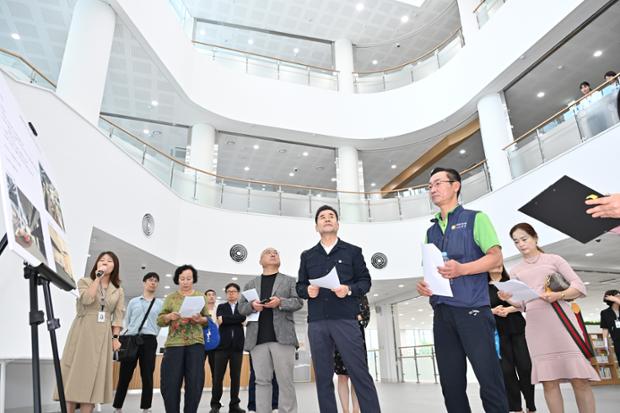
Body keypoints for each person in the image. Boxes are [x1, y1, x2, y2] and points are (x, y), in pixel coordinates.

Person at [415, 167, 508, 413]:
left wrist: (462, 269)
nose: (432, 189)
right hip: (442, 313)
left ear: (455, 186)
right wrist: (424, 285)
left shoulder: (476, 219)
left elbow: (495, 258)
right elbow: (431, 270)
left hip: (472, 310)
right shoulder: (430, 231)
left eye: (437, 183)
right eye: (429, 186)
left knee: (489, 378)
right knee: (451, 385)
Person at [499, 223, 598, 413]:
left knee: (580, 379)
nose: (520, 244)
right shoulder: (516, 270)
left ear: (535, 237)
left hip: (561, 320)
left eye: (524, 239)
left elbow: (578, 287)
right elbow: (522, 304)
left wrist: (558, 295)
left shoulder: (554, 259)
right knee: (548, 382)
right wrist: (508, 298)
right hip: (536, 326)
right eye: (516, 241)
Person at [296, 205, 381, 413]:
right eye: (322, 217)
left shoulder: (353, 251)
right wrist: (307, 290)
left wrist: (348, 289)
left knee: (359, 373)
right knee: (323, 377)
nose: (327, 219)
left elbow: (365, 282)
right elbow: (300, 286)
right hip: (317, 322)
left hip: (346, 320)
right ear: (316, 226)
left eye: (331, 216)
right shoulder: (307, 256)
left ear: (337, 224)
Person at [54, 251, 125, 413]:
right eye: (102, 260)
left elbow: (118, 316)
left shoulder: (118, 290)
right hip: (82, 331)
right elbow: (86, 299)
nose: (105, 262)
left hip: (103, 335)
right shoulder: (85, 281)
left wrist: (115, 338)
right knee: (74, 376)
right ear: (96, 264)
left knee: (93, 379)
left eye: (109, 261)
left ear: (115, 266)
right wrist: (98, 278)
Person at [238, 247, 303, 413]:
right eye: (268, 252)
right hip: (257, 339)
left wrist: (280, 302)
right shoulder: (250, 284)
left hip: (283, 338)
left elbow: (298, 302)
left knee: (285, 381)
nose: (273, 254)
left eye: (276, 252)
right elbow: (241, 308)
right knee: (261, 381)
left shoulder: (289, 281)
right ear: (260, 261)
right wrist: (252, 306)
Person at [157, 264, 210, 413]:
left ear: (193, 279)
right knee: (170, 383)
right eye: (182, 279)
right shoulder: (171, 298)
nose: (185, 282)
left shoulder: (201, 296)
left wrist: (200, 319)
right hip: (174, 344)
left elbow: (207, 321)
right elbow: (160, 321)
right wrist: (169, 316)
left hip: (196, 344)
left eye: (189, 278)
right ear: (177, 280)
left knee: (195, 383)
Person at [113, 272, 163, 413]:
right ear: (144, 282)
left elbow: (160, 323)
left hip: (149, 341)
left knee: (147, 376)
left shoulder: (160, 304)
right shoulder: (134, 302)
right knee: (125, 375)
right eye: (150, 280)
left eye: (155, 281)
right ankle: (117, 407)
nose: (153, 282)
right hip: (132, 339)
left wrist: (153, 332)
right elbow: (128, 321)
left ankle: (146, 408)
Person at [488, 266, 536, 413]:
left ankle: (530, 405)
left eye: (499, 263)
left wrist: (508, 309)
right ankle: (516, 408)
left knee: (525, 367)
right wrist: (493, 311)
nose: (497, 265)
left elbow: (525, 303)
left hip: (518, 330)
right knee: (507, 372)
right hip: (497, 334)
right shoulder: (481, 287)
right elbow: (480, 308)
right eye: (493, 263)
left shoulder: (512, 283)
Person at [211, 283, 247, 413]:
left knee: (235, 377)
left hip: (237, 347)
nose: (231, 293)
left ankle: (234, 405)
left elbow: (243, 318)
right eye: (229, 291)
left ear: (238, 293)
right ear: (226, 294)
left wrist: (227, 319)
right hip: (221, 347)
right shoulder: (221, 306)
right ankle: (215, 405)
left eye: (234, 291)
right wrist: (237, 319)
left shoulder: (242, 307)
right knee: (218, 377)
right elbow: (220, 320)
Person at [334, 295, 370, 413]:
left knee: (357, 377)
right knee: (342, 376)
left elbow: (365, 317)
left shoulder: (360, 295)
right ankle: (345, 410)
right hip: (339, 340)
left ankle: (356, 410)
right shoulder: (334, 296)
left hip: (357, 341)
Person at [599, 290, 620, 365]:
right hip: (617, 342)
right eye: (617, 296)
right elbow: (605, 328)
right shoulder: (605, 313)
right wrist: (605, 343)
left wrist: (616, 300)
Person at [204, 288, 218, 380]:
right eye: (209, 295)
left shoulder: (219, 310)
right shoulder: (201, 311)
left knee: (215, 369)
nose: (211, 296)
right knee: (199, 368)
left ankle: (215, 388)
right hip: (203, 342)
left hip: (215, 342)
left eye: (213, 294)